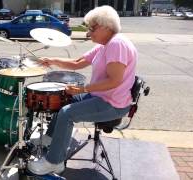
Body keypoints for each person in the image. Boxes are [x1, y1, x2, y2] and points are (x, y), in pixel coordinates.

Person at [27, 5, 137, 175]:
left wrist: (81, 89)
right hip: (100, 96)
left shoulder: (117, 44)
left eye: (92, 28)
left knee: (67, 113)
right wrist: (52, 60)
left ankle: (54, 162)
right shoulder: (103, 45)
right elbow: (77, 63)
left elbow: (114, 81)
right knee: (63, 97)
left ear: (105, 27)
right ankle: (50, 139)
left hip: (112, 103)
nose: (88, 32)